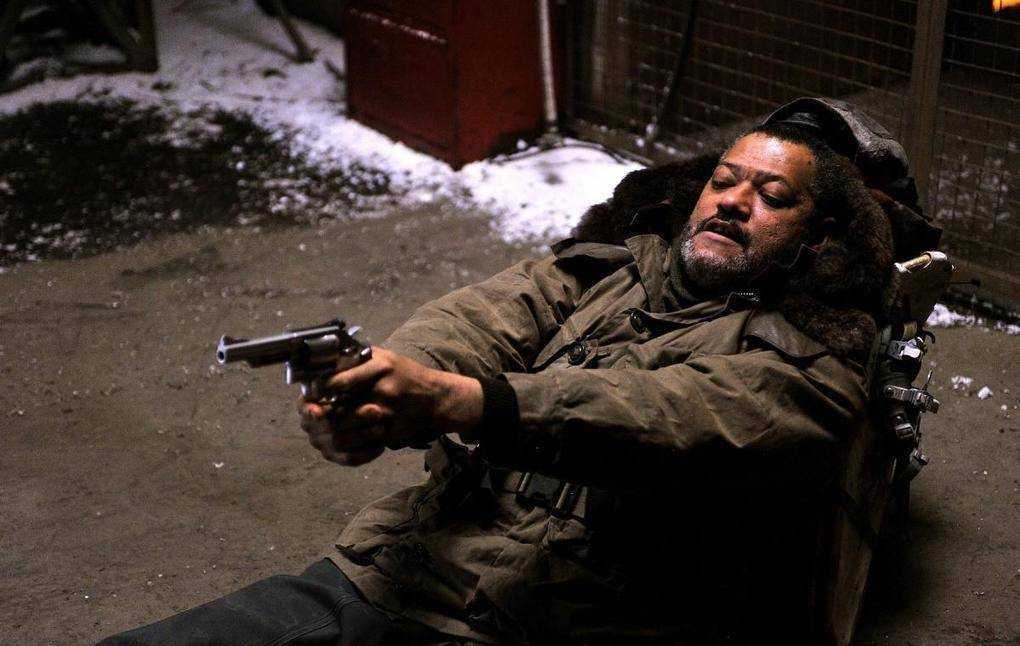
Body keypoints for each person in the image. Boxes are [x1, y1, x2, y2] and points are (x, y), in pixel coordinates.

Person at [101, 98, 938, 645]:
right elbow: (480, 317)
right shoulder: (613, 267)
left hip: (574, 619)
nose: (732, 200)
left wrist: (469, 404)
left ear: (823, 237)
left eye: (773, 196)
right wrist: (386, 389)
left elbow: (665, 412)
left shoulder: (815, 361)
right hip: (406, 565)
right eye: (722, 181)